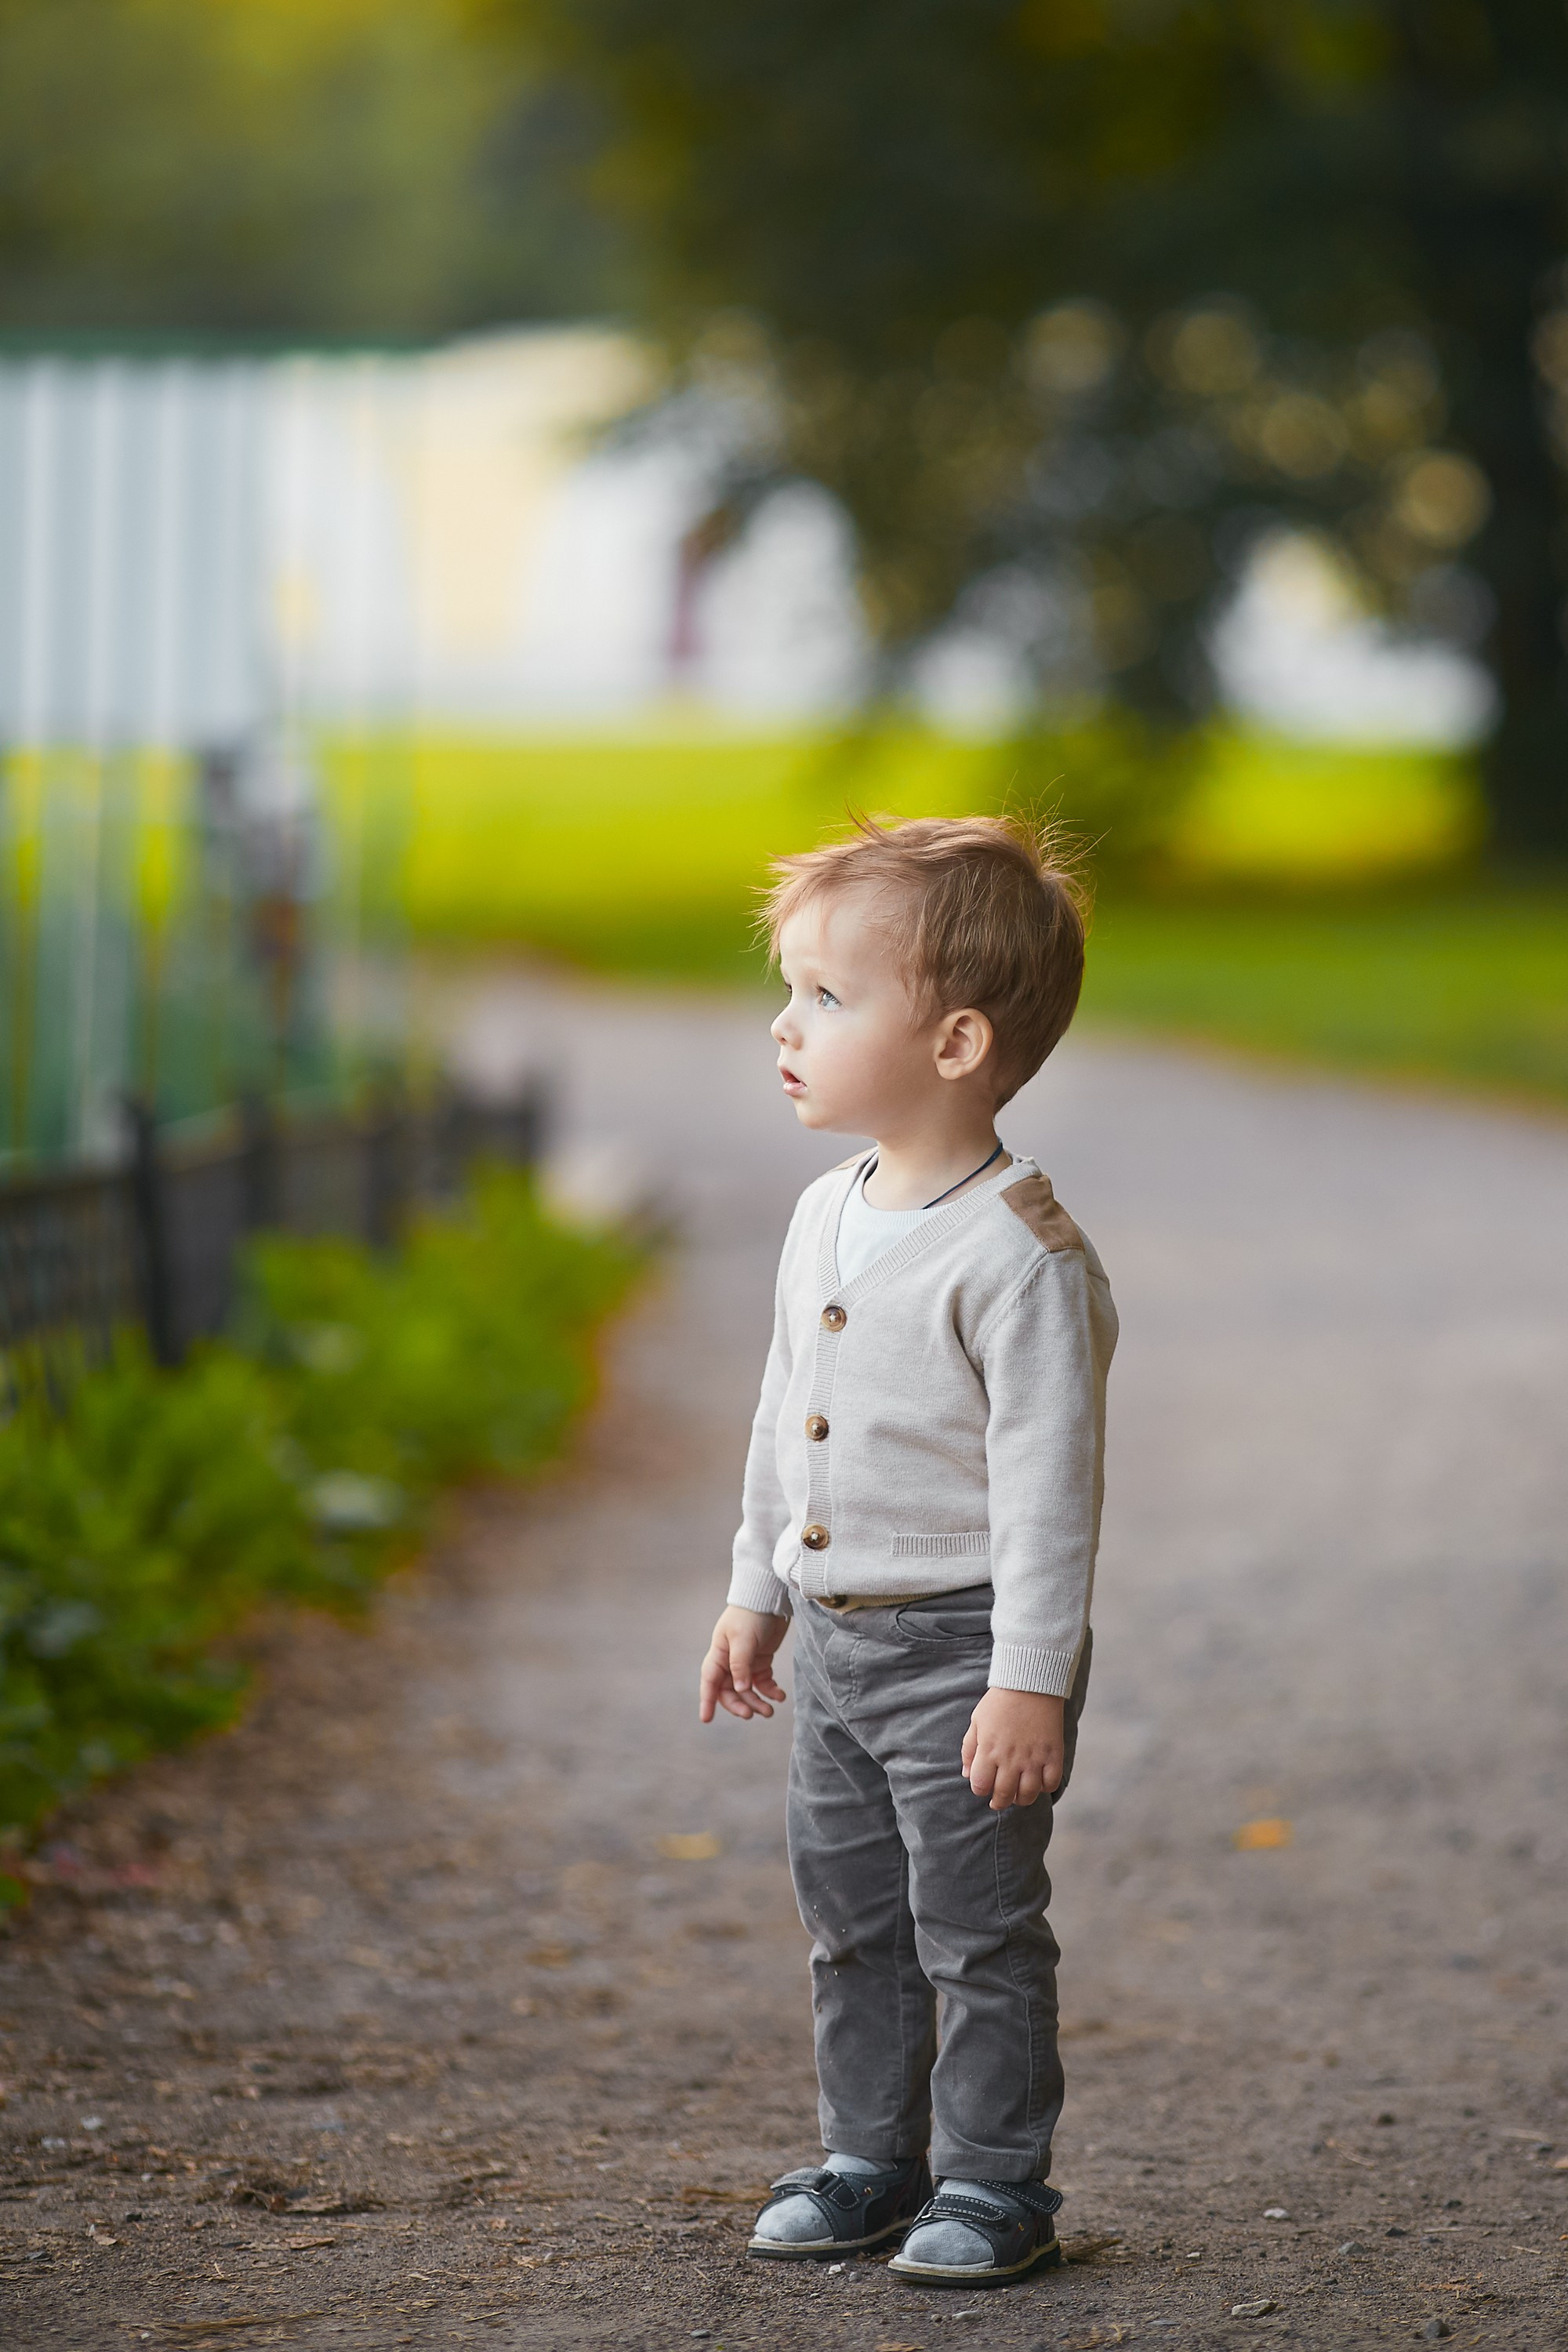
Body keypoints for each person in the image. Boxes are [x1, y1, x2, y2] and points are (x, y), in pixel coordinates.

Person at [699, 811, 1117, 2288]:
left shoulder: (1020, 1256)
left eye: (826, 996)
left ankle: (997, 2183)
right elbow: (782, 1411)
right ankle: (873, 2159)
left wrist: (1031, 1679)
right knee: (852, 1921)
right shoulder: (825, 1212)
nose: (785, 1025)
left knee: (977, 1929)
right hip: (835, 1643)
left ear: (955, 1043)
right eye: (790, 991)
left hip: (960, 1650)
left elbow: (1050, 1491)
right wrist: (756, 1590)